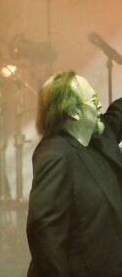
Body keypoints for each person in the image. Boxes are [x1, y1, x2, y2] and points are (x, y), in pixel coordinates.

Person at [26, 70, 122, 277]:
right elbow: (44, 233)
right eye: (93, 99)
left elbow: (118, 114)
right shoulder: (55, 156)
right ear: (74, 112)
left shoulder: (98, 135)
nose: (99, 105)